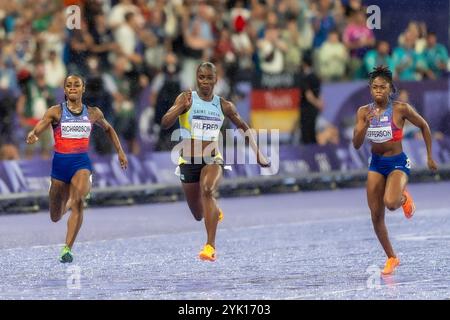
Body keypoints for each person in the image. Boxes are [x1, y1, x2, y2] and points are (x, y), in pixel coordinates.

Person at [161, 62, 270, 261]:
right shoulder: (186, 98)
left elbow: (243, 127)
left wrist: (258, 154)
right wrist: (180, 109)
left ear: (215, 80)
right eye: (201, 77)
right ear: (197, 78)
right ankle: (214, 211)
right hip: (188, 162)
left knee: (208, 190)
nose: (205, 82)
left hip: (212, 159)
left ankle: (210, 247)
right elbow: (165, 122)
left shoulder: (224, 105)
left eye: (209, 78)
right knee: (198, 214)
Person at [26, 75, 128, 263]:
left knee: (78, 200)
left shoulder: (93, 113)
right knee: (55, 216)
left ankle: (67, 249)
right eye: (69, 85)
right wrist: (34, 134)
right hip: (59, 167)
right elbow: (40, 127)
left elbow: (108, 129)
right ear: (64, 90)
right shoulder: (55, 111)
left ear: (83, 89)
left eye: (76, 85)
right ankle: (69, 202)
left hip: (81, 163)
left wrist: (120, 152)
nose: (72, 88)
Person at [352, 66, 438, 275]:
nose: (378, 90)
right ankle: (391, 257)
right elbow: (356, 143)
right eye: (374, 87)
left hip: (397, 163)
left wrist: (429, 156)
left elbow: (424, 126)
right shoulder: (364, 112)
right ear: (370, 89)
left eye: (382, 87)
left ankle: (403, 198)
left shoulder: (401, 109)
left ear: (390, 89)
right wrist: (365, 126)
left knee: (390, 203)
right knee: (375, 215)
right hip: (376, 164)